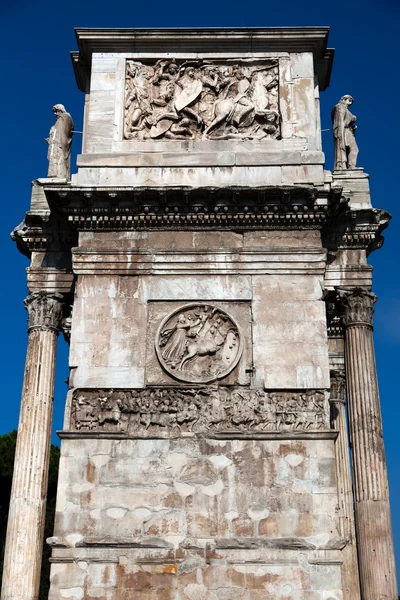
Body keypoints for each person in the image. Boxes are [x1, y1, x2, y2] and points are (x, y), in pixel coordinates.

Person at [45, 104, 74, 179]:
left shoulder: (65, 117)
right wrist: (50, 139)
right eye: (55, 111)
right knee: (54, 158)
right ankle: (54, 175)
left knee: (60, 158)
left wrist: (60, 141)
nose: (55, 113)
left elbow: (66, 132)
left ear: (60, 110)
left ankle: (60, 175)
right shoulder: (58, 121)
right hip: (55, 144)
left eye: (56, 111)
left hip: (60, 144)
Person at [331, 95, 359, 170]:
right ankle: (350, 166)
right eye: (349, 100)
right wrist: (340, 134)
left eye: (351, 101)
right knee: (353, 149)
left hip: (349, 131)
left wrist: (352, 128)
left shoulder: (345, 109)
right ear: (344, 99)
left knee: (354, 149)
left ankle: (351, 166)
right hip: (344, 131)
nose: (349, 103)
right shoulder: (340, 107)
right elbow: (340, 121)